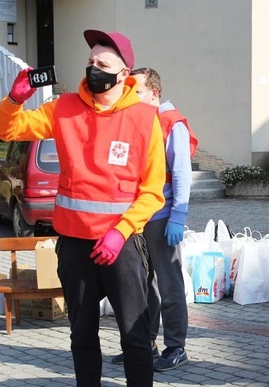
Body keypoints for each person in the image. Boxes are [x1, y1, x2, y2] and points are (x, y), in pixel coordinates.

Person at [0, 30, 166, 387]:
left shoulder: (144, 118)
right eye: (91, 60)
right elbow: (7, 129)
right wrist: (15, 99)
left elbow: (152, 190)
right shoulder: (63, 108)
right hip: (74, 244)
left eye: (104, 64)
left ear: (125, 73)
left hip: (120, 245)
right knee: (81, 330)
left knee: (134, 332)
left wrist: (120, 232)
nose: (94, 69)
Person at [111, 67, 198, 371]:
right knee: (142, 284)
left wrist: (178, 215)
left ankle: (176, 347)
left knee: (168, 283)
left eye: (135, 91)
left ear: (154, 93)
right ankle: (144, 344)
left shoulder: (170, 124)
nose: (129, 96)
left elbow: (182, 173)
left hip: (162, 216)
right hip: (137, 216)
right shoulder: (137, 120)